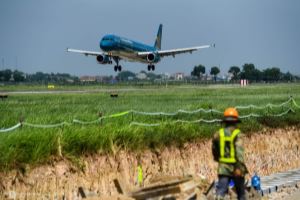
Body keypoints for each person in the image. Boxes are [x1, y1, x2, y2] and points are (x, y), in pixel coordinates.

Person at [212, 107, 248, 200]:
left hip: (223, 168)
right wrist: (240, 167)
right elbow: (239, 153)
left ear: (225, 121)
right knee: (241, 193)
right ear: (235, 121)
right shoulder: (237, 134)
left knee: (220, 192)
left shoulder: (218, 134)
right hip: (236, 167)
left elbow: (214, 150)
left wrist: (218, 159)